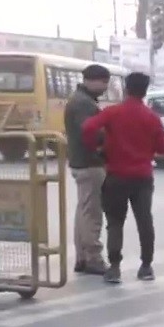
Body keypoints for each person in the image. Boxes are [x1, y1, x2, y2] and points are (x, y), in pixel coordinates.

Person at [81, 72, 164, 284]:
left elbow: (88, 127)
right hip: (142, 178)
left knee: (115, 223)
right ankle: (146, 266)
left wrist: (97, 148)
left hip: (116, 176)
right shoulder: (152, 117)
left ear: (126, 89)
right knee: (144, 221)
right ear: (145, 92)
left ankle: (114, 268)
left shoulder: (113, 112)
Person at [64, 64, 112, 275]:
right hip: (90, 163)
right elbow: (91, 132)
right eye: (103, 82)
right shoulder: (83, 104)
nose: (105, 87)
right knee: (92, 213)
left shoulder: (80, 100)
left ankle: (82, 257)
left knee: (83, 210)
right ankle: (93, 257)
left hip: (81, 162)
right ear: (91, 81)